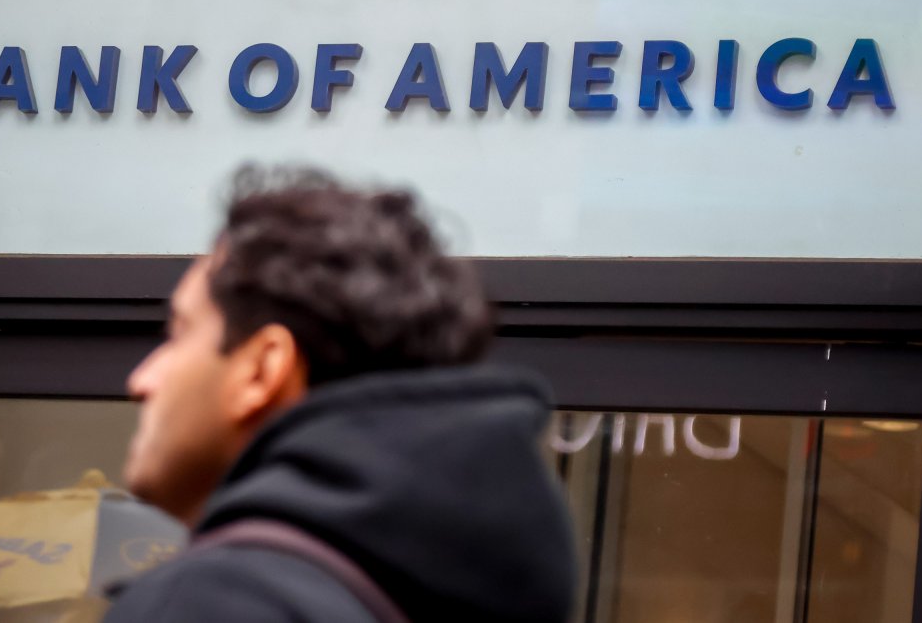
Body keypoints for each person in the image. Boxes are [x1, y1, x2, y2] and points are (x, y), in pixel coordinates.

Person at [105, 168, 577, 622]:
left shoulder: (212, 602)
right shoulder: (442, 594)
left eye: (179, 334)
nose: (141, 380)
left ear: (262, 370)